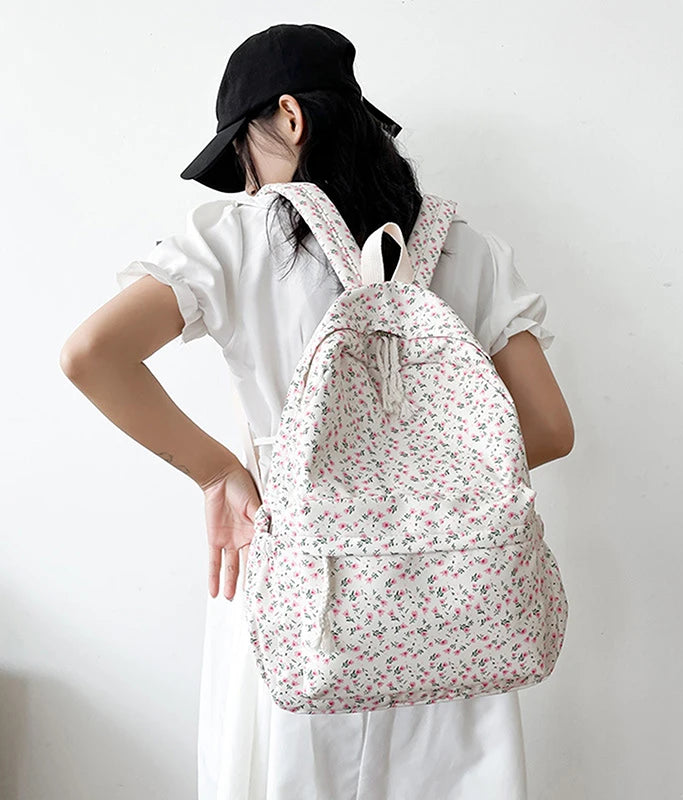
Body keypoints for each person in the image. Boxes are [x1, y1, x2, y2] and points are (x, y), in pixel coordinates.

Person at [60, 23, 574, 800]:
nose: (244, 184)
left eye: (241, 157)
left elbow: (91, 354)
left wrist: (219, 473)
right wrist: (416, 495)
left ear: (289, 119)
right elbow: (548, 430)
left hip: (304, 600)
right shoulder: (469, 249)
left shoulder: (237, 238)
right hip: (451, 608)